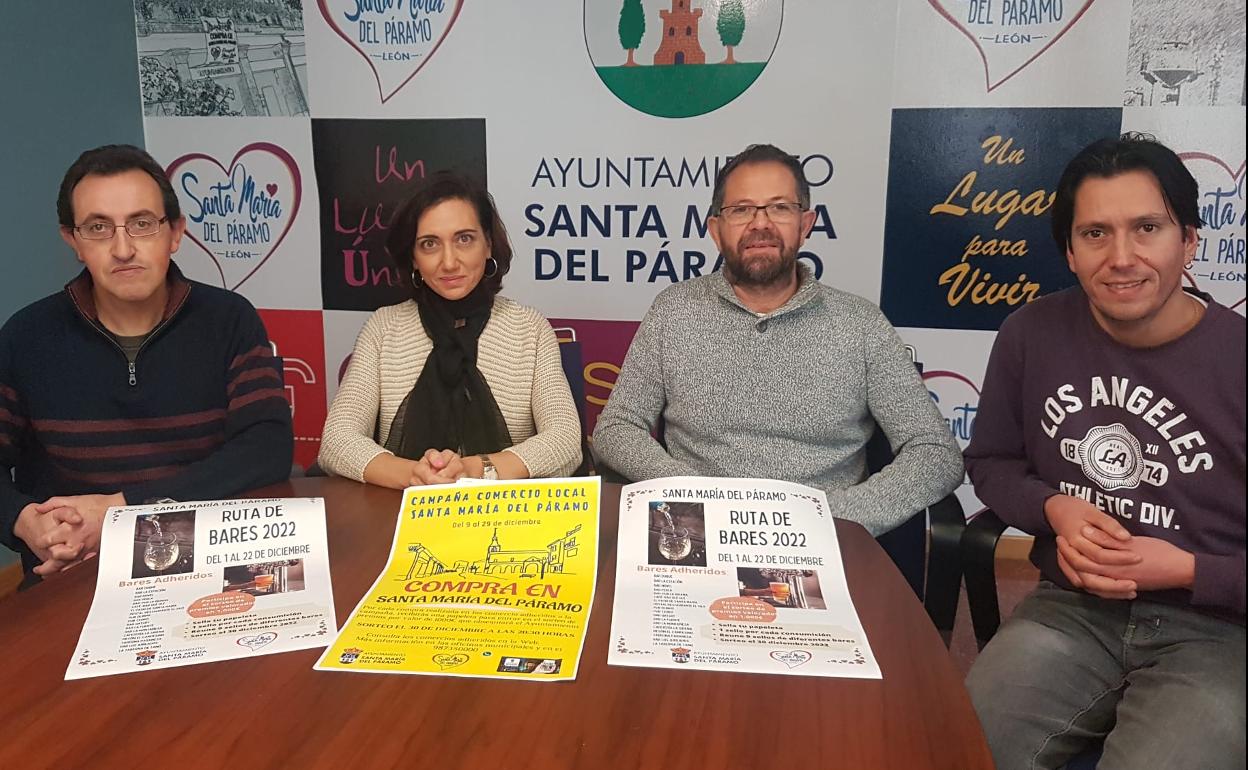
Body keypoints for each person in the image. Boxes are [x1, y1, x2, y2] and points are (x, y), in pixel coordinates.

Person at [964, 133, 1245, 769]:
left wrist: (1188, 570)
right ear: (1069, 250)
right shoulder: (1029, 334)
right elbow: (992, 463)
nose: (1122, 257)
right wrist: (1054, 507)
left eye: (1147, 227)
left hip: (1221, 631)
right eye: (1095, 234)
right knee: (955, 749)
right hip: (1070, 611)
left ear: (1190, 241)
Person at [593, 143, 962, 535]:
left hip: (824, 541)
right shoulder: (674, 311)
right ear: (715, 230)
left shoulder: (861, 324)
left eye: (780, 207)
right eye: (741, 210)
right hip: (698, 532)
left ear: (805, 224)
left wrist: (835, 517)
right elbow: (616, 428)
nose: (760, 223)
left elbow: (936, 454)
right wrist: (694, 496)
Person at [0, 145, 294, 577]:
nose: (123, 248)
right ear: (73, 240)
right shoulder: (25, 336)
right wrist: (26, 521)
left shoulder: (230, 319)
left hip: (209, 560)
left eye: (142, 224)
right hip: (76, 571)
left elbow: (267, 449)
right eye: (98, 227)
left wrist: (122, 513)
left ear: (175, 232)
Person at [318, 172, 581, 487]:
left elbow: (565, 441)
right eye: (429, 244)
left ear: (488, 245)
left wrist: (472, 471)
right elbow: (336, 441)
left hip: (509, 518)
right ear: (413, 258)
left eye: (464, 239)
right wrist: (416, 475)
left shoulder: (529, 328)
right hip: (400, 513)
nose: (449, 262)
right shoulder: (383, 328)